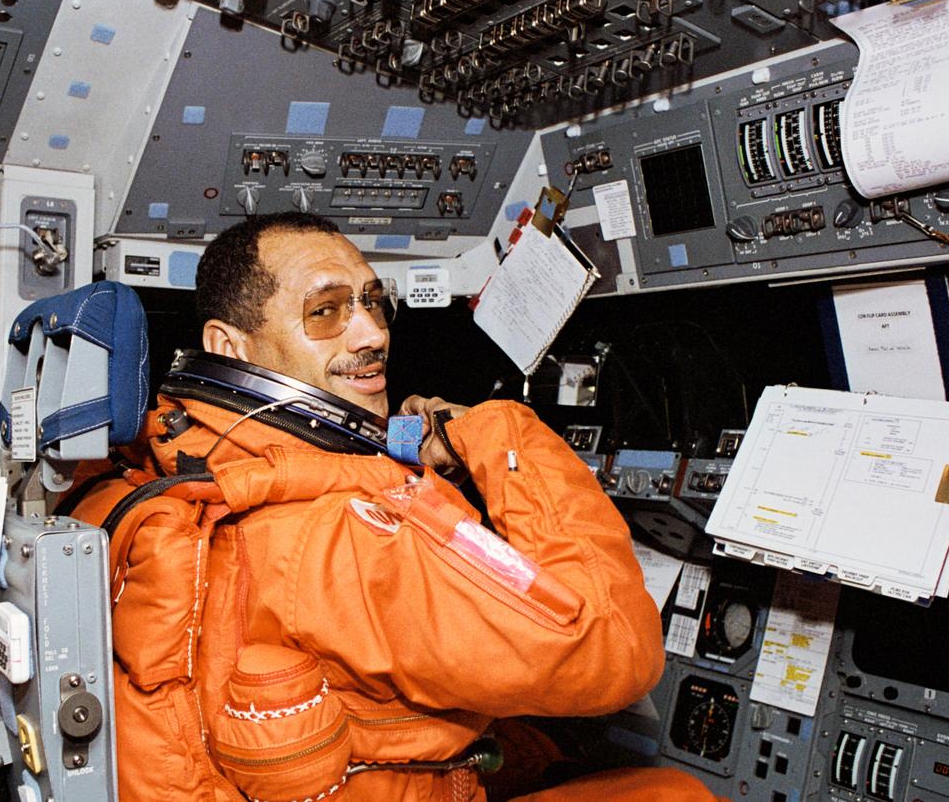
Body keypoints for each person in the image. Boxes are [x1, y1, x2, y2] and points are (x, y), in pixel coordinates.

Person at [71, 211, 721, 801]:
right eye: (326, 311)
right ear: (231, 346)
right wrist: (503, 434)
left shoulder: (179, 460)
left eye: (374, 303)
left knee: (537, 750)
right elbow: (617, 649)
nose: (372, 332)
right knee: (675, 794)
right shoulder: (351, 529)